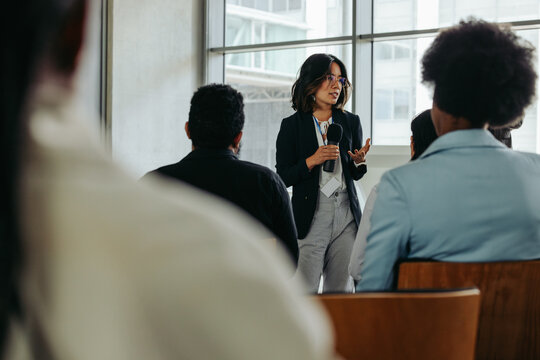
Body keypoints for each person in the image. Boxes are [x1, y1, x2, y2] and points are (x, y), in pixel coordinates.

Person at [2, 1, 337, 359]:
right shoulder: (247, 246)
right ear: (80, 28)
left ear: (189, 130)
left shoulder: (152, 184)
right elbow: (288, 258)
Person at [357, 19, 540, 291]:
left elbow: (372, 291)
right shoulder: (535, 172)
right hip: (525, 334)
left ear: (436, 107)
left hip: (434, 333)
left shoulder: (399, 185)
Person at [143, 84, 298, 265]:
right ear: (238, 137)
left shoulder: (154, 184)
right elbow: (288, 262)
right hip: (244, 291)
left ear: (188, 130)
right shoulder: (267, 183)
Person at [276, 53, 371, 293]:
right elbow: (283, 177)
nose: (335, 85)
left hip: (346, 213)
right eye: (329, 77)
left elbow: (355, 173)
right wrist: (312, 160)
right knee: (304, 291)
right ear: (311, 81)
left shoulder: (351, 122)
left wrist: (359, 163)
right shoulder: (292, 125)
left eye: (340, 80)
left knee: (341, 292)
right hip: (311, 214)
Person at [349, 109, 438, 283]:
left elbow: (357, 267)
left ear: (412, 143)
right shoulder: (469, 192)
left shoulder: (386, 190)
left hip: (399, 301)